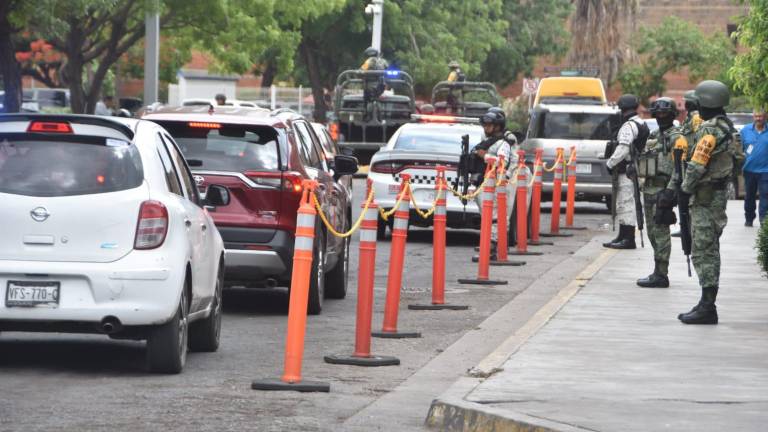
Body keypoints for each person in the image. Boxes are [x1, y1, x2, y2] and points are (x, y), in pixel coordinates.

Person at [677, 80, 735, 325]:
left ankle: (708, 306)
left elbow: (698, 163)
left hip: (706, 198)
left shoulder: (710, 130)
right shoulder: (725, 126)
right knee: (708, 248)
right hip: (713, 196)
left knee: (704, 250)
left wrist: (684, 188)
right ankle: (705, 302)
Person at [636, 97, 682, 288]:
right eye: (658, 113)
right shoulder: (654, 135)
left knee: (661, 233)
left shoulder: (677, 137)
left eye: (665, 114)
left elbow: (679, 168)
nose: (661, 117)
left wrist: (670, 192)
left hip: (664, 190)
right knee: (652, 233)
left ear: (672, 115)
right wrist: (636, 170)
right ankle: (657, 269)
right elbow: (648, 161)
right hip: (649, 189)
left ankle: (661, 273)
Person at [471, 108, 528, 257]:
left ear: (498, 126)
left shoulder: (505, 142)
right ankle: (491, 244)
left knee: (497, 216)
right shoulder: (487, 140)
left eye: (490, 125)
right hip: (486, 183)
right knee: (488, 215)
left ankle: (494, 246)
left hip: (499, 183)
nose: (486, 127)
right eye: (485, 125)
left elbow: (503, 162)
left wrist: (485, 156)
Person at [604, 94, 649, 249]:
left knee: (626, 203)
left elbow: (623, 148)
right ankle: (622, 236)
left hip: (628, 169)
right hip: (635, 169)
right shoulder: (640, 122)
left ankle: (628, 239)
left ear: (622, 108)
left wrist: (610, 163)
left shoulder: (629, 126)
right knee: (624, 203)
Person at [740, 108, 768, 226]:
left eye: (760, 116)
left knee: (765, 196)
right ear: (753, 116)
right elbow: (741, 149)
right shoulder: (745, 130)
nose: (758, 118)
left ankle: (764, 220)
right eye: (756, 116)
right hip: (749, 169)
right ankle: (749, 219)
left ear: (765, 116)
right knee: (749, 196)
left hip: (765, 170)